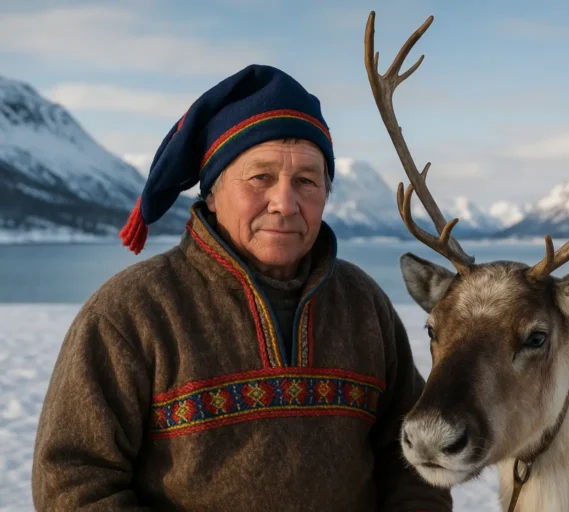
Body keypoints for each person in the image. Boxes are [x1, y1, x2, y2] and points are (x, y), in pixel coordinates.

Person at [31, 64, 453, 512]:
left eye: (307, 181)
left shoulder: (363, 304)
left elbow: (414, 458)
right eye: (260, 178)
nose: (285, 203)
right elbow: (73, 483)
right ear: (212, 192)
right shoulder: (131, 313)